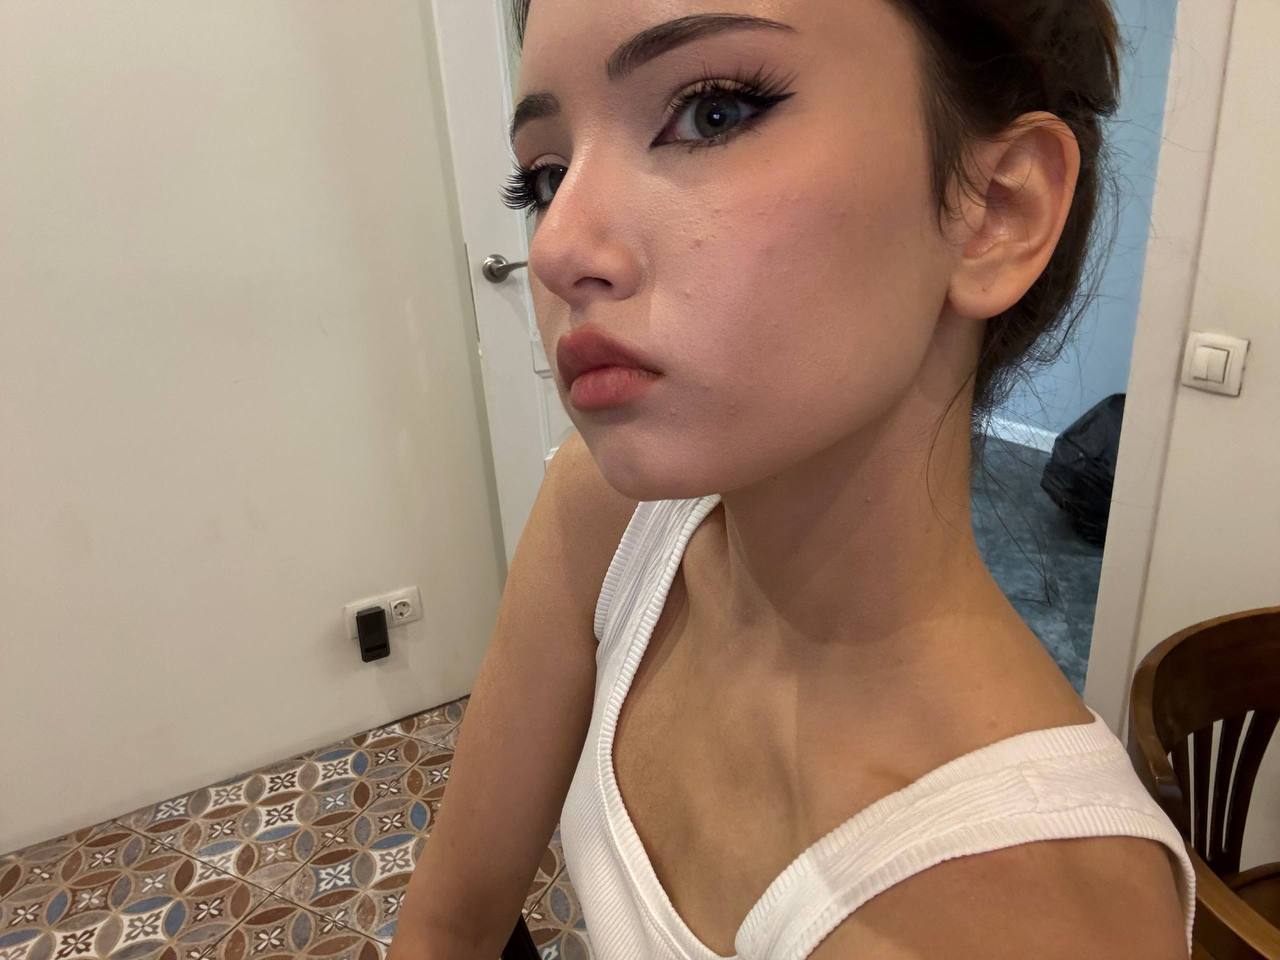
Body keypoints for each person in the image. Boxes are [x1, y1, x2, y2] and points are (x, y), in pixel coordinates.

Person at [389, 1, 1195, 957]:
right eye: (546, 176)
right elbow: (449, 926)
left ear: (995, 210)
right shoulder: (607, 519)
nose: (557, 248)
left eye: (713, 111)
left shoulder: (1050, 916)